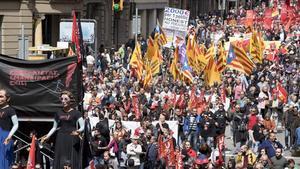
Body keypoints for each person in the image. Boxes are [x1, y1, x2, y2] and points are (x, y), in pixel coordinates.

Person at [41, 90, 85, 169]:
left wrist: (78, 131)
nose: (63, 101)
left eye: (65, 99)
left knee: (71, 157)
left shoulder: (76, 113)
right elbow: (54, 127)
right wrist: (47, 136)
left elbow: (83, 126)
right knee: (60, 157)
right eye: (61, 99)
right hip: (61, 137)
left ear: (70, 100)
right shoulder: (58, 113)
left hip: (72, 137)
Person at [0, 88, 19, 169]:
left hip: (5, 137)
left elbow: (16, 124)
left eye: (1, 96)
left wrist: (9, 136)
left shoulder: (10, 110)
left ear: (7, 98)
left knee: (4, 160)